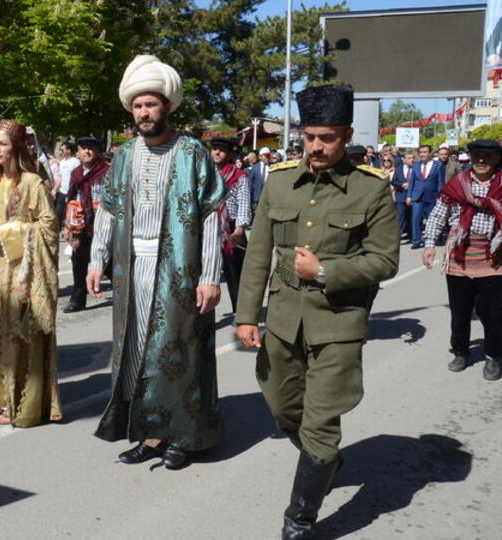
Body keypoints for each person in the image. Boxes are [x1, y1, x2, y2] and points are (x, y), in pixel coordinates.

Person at [236, 84, 399, 539]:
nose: (316, 147)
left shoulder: (371, 189)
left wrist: (325, 270)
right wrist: (247, 315)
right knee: (284, 408)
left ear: (345, 134)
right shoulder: (280, 180)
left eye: (326, 137)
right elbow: (258, 253)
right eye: (309, 137)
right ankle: (320, 454)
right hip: (284, 321)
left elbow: (385, 260)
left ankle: (300, 519)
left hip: (338, 325)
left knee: (322, 424)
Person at [87, 55, 226, 470]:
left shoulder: (193, 153)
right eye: (137, 106)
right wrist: (96, 262)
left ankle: (182, 435)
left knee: (177, 351)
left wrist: (210, 276)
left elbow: (209, 216)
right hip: (133, 270)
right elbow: (108, 211)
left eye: (151, 105)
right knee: (134, 352)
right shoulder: (125, 156)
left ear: (166, 105)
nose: (144, 113)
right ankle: (149, 433)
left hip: (181, 271)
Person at [0, 118, 62, 427]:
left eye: (3, 144)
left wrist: (10, 231)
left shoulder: (32, 182)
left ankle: (18, 398)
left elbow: (48, 225)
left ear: (16, 148)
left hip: (24, 270)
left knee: (19, 334)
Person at [422, 139, 502, 380]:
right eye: (477, 155)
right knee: (460, 311)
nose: (481, 160)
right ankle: (460, 352)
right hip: (459, 259)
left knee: (493, 313)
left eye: (487, 156)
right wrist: (429, 245)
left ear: (497, 160)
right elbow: (438, 214)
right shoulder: (457, 184)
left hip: (495, 261)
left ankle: (493, 356)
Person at [62, 136, 109, 313]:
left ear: (97, 152)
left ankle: (126, 299)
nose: (87, 151)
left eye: (91, 148)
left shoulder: (107, 171)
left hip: (104, 226)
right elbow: (70, 198)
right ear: (78, 153)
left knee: (111, 264)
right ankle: (78, 300)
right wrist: (69, 227)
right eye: (83, 148)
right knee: (79, 263)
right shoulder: (75, 174)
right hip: (82, 226)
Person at [211, 137, 251, 312]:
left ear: (229, 154)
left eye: (221, 150)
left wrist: (239, 230)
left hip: (232, 228)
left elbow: (244, 203)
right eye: (214, 149)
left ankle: (241, 311)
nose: (217, 152)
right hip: (209, 226)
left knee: (236, 275)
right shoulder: (205, 174)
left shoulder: (239, 176)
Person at [407, 144, 444, 249]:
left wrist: (440, 197)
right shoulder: (415, 165)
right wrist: (409, 196)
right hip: (417, 196)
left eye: (425, 152)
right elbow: (412, 182)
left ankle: (433, 238)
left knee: (432, 219)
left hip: (432, 196)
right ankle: (417, 240)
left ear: (430, 153)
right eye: (421, 152)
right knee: (415, 218)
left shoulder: (438, 165)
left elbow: (440, 183)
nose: (422, 154)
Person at [392, 149, 416, 240]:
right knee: (401, 217)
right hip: (401, 196)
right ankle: (397, 236)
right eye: (409, 158)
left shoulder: (416, 168)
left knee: (411, 217)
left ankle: (411, 235)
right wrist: (402, 185)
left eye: (413, 158)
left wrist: (411, 185)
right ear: (404, 159)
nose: (412, 160)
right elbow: (394, 181)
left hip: (413, 197)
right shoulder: (398, 169)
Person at [54, 142, 80, 223]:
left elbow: (78, 177)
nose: (60, 152)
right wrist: (55, 189)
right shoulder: (62, 162)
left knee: (70, 215)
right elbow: (60, 177)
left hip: (72, 193)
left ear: (68, 151)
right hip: (62, 192)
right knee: (58, 213)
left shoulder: (75, 162)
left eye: (62, 150)